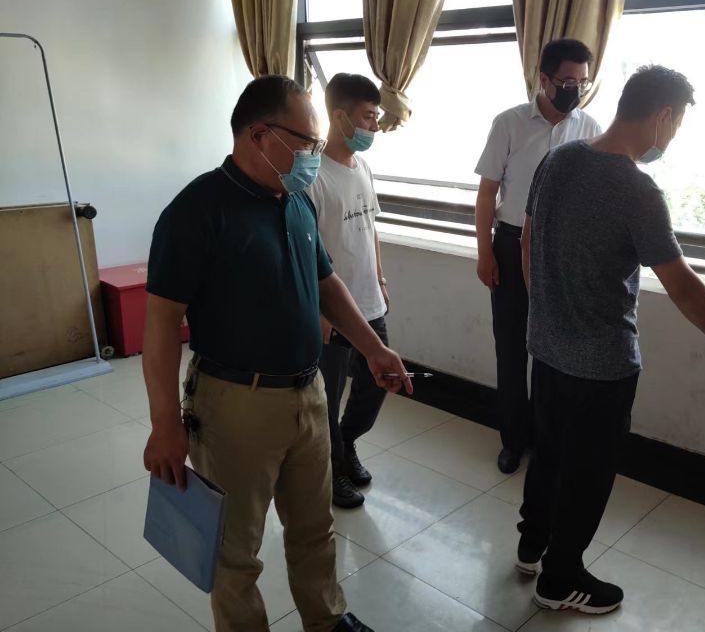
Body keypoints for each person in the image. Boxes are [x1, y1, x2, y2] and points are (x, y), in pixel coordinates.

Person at [142, 75, 411, 632]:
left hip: (308, 393)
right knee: (234, 551)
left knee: (314, 528)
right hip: (235, 406)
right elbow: (161, 325)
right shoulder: (196, 211)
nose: (314, 154)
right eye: (306, 141)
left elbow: (327, 283)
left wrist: (374, 348)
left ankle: (326, 620)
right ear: (260, 135)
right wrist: (164, 423)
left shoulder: (295, 201)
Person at [517, 65, 705, 615]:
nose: (671, 138)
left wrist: (546, 311)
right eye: (676, 125)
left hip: (545, 348)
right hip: (601, 366)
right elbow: (681, 283)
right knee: (587, 473)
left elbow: (529, 238)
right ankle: (559, 579)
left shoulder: (559, 159)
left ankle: (531, 547)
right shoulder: (637, 189)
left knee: (548, 453)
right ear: (662, 117)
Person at [474, 38, 603, 475]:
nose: (575, 89)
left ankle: (549, 440)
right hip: (510, 246)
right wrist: (485, 252)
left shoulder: (589, 127)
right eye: (567, 81)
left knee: (555, 351)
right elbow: (487, 193)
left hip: (561, 252)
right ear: (543, 79)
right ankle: (513, 439)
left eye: (582, 82)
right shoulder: (509, 123)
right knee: (511, 347)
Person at [306, 73, 389, 509]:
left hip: (369, 300)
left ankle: (347, 440)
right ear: (339, 117)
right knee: (329, 393)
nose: (374, 126)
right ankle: (332, 467)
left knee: (378, 382)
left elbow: (371, 227)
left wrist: (381, 278)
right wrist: (320, 309)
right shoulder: (313, 176)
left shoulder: (364, 168)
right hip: (333, 308)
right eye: (368, 117)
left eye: (376, 117)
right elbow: (306, 248)